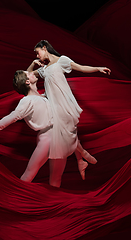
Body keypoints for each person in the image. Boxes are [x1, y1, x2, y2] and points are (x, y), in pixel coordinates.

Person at [27, 40, 112, 179]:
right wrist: (32, 64)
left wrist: (98, 68)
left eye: (37, 52)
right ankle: (82, 157)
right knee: (65, 133)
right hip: (53, 105)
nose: (37, 56)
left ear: (44, 48)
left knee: (67, 132)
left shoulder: (62, 61)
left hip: (64, 103)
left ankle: (81, 157)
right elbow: (27, 76)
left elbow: (81, 67)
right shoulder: (44, 69)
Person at [0, 70, 67, 187]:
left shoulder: (44, 97)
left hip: (58, 137)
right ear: (28, 81)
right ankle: (15, 199)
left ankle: (54, 201)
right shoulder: (26, 101)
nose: (32, 72)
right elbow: (14, 116)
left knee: (56, 177)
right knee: (29, 174)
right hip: (48, 138)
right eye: (28, 73)